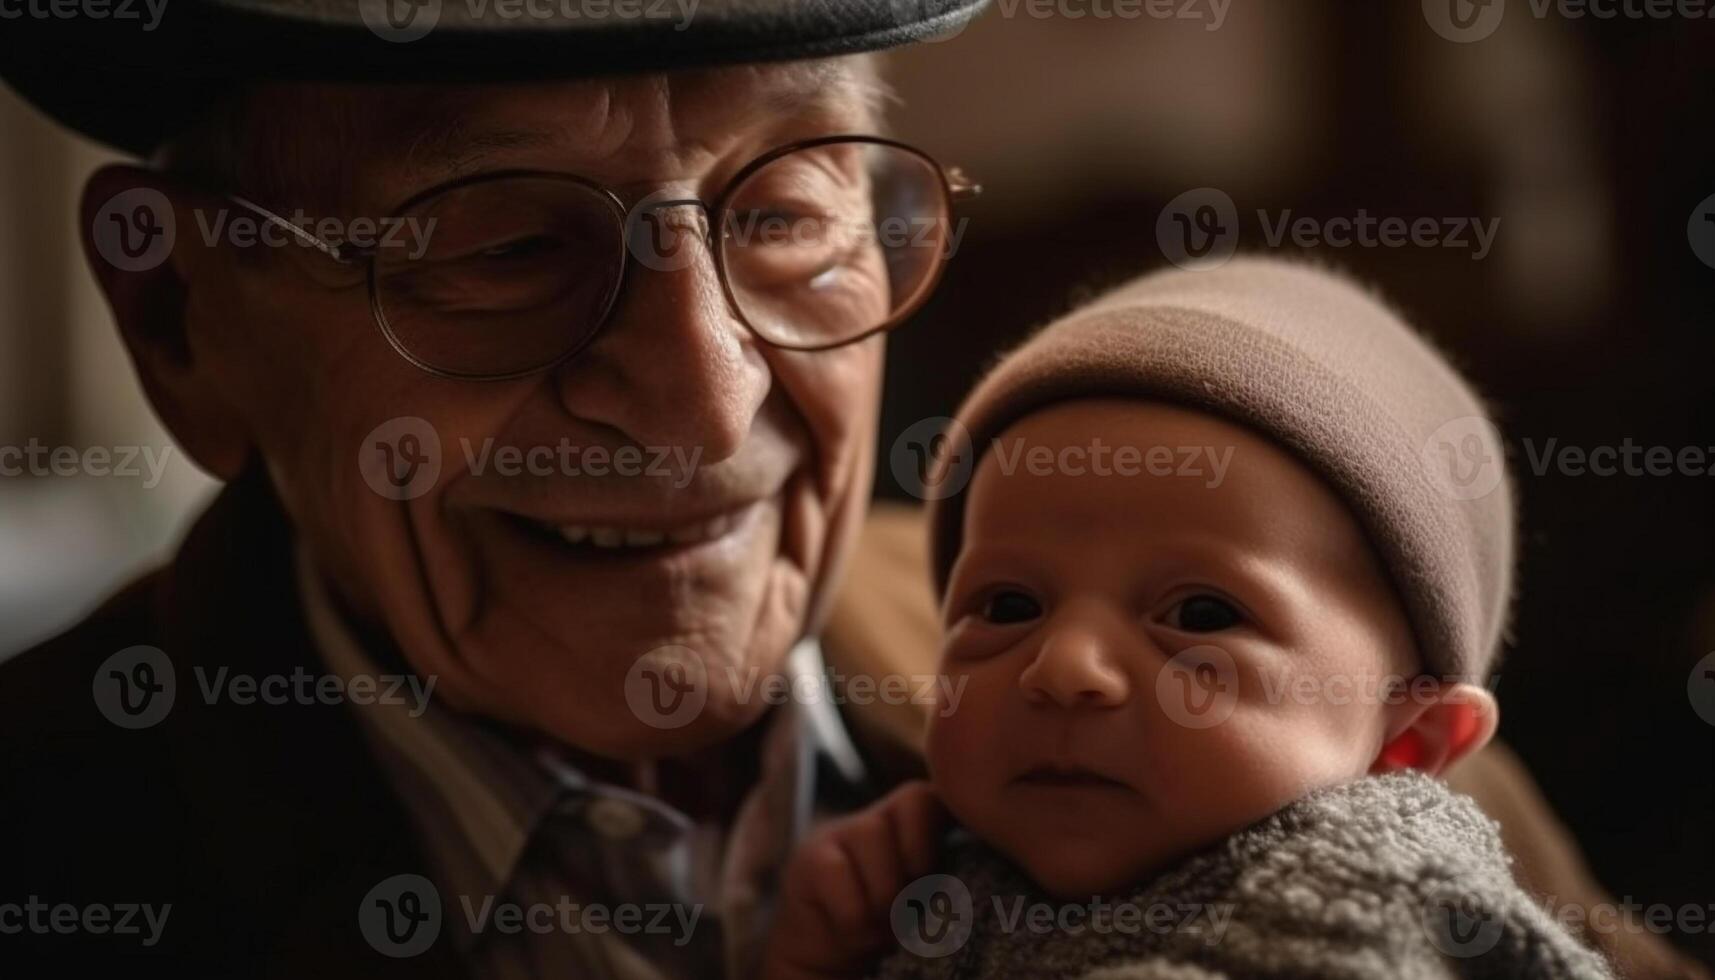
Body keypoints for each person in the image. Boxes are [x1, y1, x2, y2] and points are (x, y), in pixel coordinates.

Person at [0, 5, 1701, 978]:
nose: (703, 387)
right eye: (504, 244)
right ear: (181, 320)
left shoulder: (1285, 688)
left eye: (790, 211)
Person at [761, 259, 1608, 979]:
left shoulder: (1378, 890)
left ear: (1408, 742)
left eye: (1200, 614)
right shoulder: (937, 886)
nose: (1063, 668)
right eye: (1007, 605)